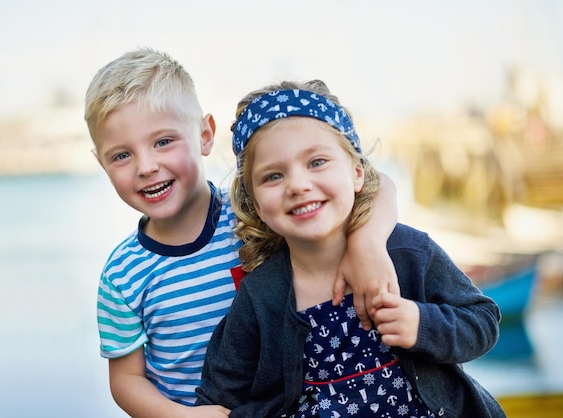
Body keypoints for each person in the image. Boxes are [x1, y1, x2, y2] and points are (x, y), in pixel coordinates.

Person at [84, 48, 400, 417]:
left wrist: (368, 244)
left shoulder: (255, 217)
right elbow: (125, 381)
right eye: (121, 155)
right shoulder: (122, 275)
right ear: (101, 162)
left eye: (163, 142)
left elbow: (376, 185)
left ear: (205, 135)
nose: (146, 166)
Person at [196, 80, 506, 417]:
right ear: (255, 202)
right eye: (273, 176)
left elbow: (484, 321)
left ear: (357, 173)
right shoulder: (261, 295)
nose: (298, 185)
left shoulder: (407, 252)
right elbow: (219, 394)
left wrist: (422, 324)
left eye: (316, 162)